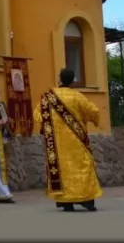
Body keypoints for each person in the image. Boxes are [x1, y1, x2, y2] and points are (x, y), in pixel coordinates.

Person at [33, 68, 102, 212]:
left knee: (61, 170)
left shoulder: (47, 96)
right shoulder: (78, 97)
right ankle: (87, 201)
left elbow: (37, 114)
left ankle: (66, 203)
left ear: (60, 79)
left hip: (56, 144)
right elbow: (94, 112)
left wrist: (49, 125)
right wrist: (92, 120)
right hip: (77, 141)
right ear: (73, 80)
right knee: (83, 168)